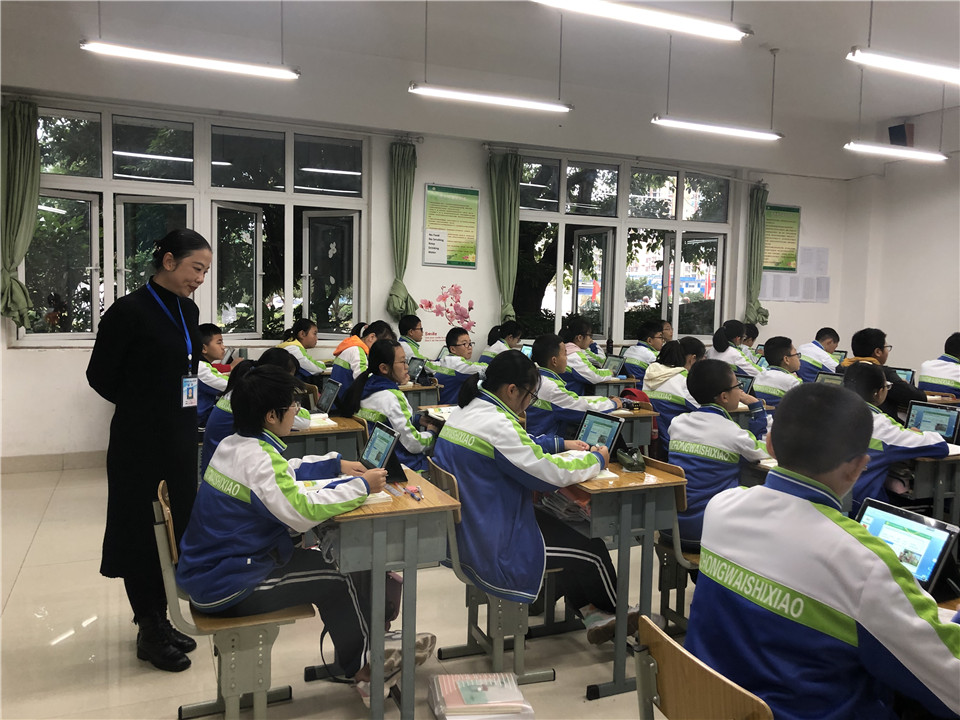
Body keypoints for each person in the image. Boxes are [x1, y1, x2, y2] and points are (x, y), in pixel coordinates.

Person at [684, 383, 960, 720]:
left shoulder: (722, 507)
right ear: (858, 466)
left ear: (770, 444)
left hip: (712, 705)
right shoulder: (863, 562)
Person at [174, 365, 406, 703]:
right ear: (271, 415)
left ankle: (359, 652)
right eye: (292, 405)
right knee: (335, 577)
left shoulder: (234, 444)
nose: (297, 411)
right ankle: (363, 670)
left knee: (327, 566)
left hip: (211, 570)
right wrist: (361, 486)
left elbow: (285, 472)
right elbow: (301, 512)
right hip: (228, 584)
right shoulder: (256, 460)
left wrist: (335, 466)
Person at [432, 350, 639, 644]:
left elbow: (519, 445)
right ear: (511, 390)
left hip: (470, 531)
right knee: (591, 549)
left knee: (566, 530)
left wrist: (561, 444)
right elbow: (547, 475)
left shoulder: (468, 410)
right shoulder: (496, 425)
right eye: (530, 395)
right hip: (496, 544)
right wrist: (597, 461)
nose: (529, 402)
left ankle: (592, 612)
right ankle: (620, 619)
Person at [86, 228, 212, 672]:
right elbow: (100, 376)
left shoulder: (188, 310)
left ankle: (162, 614)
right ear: (169, 261)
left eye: (205, 271)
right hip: (139, 441)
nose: (200, 278)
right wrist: (144, 404)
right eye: (196, 268)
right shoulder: (128, 312)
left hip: (179, 437)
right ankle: (149, 627)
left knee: (174, 527)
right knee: (142, 531)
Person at [667, 359, 769, 547]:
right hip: (710, 528)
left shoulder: (678, 423)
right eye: (737, 386)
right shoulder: (732, 433)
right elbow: (765, 451)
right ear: (724, 397)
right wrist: (757, 408)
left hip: (672, 526)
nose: (740, 391)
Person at [842, 363, 948, 516]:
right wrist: (916, 433)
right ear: (878, 393)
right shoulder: (879, 425)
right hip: (858, 508)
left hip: (828, 501)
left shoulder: (824, 411)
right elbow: (939, 446)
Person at [200, 348, 312, 478]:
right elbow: (304, 421)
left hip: (218, 469)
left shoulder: (241, 389)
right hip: (231, 471)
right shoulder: (258, 397)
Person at [340, 339, 440, 473]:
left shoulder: (363, 387)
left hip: (376, 462)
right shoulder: (392, 397)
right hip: (401, 466)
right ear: (384, 368)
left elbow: (388, 422)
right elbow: (413, 444)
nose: (407, 367)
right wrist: (432, 433)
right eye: (402, 362)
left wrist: (417, 420)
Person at [525, 334, 622, 438]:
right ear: (554, 361)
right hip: (544, 442)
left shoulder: (535, 378)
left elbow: (570, 401)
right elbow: (583, 408)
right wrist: (613, 403)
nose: (567, 359)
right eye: (565, 354)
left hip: (533, 435)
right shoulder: (551, 388)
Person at [838, 328, 925, 419]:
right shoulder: (881, 373)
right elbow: (915, 396)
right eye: (887, 347)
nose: (887, 351)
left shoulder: (842, 367)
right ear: (878, 352)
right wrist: (902, 384)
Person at [642, 337, 704, 455]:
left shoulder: (651, 373)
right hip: (679, 444)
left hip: (654, 444)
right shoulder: (685, 381)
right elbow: (706, 408)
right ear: (692, 359)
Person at [331, 320, 395, 406]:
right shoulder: (357, 351)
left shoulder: (351, 346)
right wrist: (388, 382)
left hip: (337, 401)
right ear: (371, 337)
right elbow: (364, 380)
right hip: (342, 406)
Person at [559, 315, 613, 395]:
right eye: (590, 336)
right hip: (571, 398)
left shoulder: (562, 351)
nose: (591, 340)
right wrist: (610, 372)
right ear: (579, 338)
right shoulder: (575, 356)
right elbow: (594, 375)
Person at [432, 327, 485, 405]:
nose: (470, 347)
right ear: (453, 349)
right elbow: (485, 369)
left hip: (442, 405)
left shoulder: (446, 361)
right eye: (464, 344)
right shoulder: (458, 365)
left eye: (470, 343)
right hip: (450, 408)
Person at [752, 336, 802, 410]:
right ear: (786, 359)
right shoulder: (792, 381)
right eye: (796, 354)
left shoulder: (758, 376)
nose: (798, 358)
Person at [197, 323, 231, 427]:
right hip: (200, 423)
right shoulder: (201, 368)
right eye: (219, 343)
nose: (223, 347)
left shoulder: (203, 365)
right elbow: (229, 385)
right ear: (204, 348)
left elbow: (218, 377)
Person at [277, 318, 326, 384]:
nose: (317, 338)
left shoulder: (292, 346)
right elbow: (315, 368)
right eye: (314, 334)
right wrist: (323, 364)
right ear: (302, 334)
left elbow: (309, 362)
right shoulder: (293, 349)